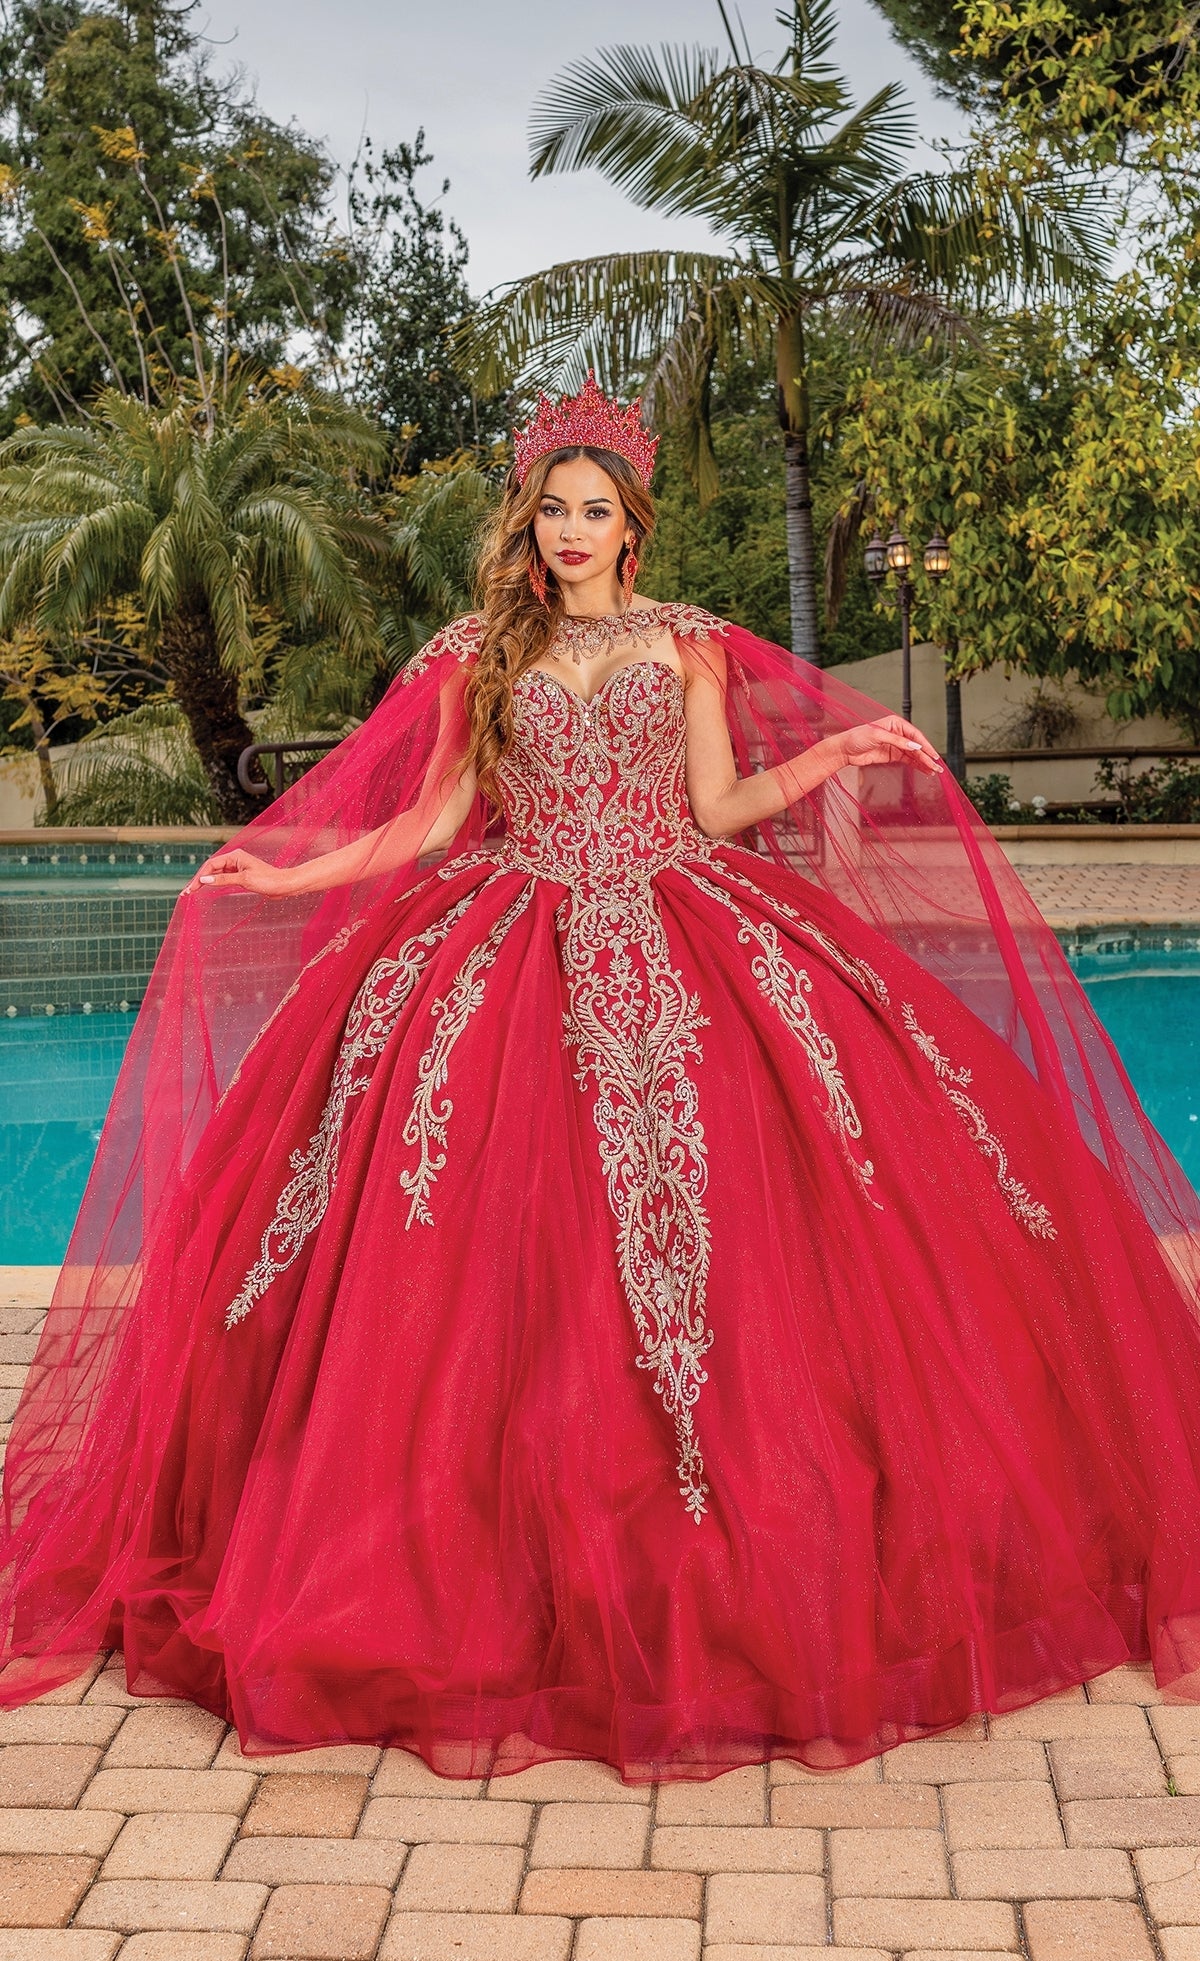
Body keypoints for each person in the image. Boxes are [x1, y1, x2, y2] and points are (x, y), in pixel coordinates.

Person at [4, 376, 1200, 1783]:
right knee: (481, 1249)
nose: (571, 533)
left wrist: (833, 748)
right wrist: (284, 866)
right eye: (553, 511)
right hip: (503, 946)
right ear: (530, 523)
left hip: (686, 922)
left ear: (633, 527)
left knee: (779, 1216)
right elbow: (433, 823)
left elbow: (718, 810)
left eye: (597, 512)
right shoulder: (474, 655)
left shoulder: (686, 646)